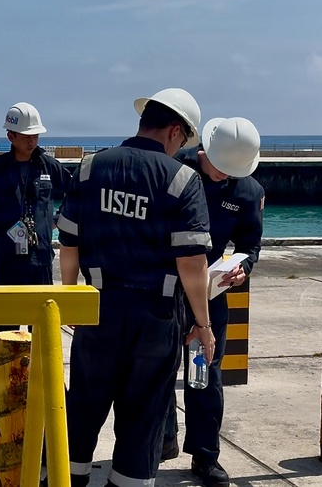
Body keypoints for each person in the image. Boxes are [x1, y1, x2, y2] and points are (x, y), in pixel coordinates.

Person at [56, 88, 217, 487]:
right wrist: (203, 324)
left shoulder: (91, 168)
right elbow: (192, 265)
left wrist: (72, 298)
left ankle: (65, 479)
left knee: (83, 407)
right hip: (155, 318)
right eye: (183, 141)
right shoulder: (182, 180)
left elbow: (69, 245)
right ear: (175, 131)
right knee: (143, 417)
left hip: (96, 310)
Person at [161, 117, 264, 487]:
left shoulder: (248, 191)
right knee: (157, 368)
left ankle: (205, 457)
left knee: (205, 376)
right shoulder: (174, 170)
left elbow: (251, 244)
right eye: (221, 169)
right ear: (205, 151)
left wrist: (244, 267)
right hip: (165, 286)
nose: (225, 177)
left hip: (210, 294)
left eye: (233, 173)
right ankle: (164, 438)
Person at [0, 102, 72, 332]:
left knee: (41, 322)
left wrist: (58, 219)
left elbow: (76, 193)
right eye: (27, 136)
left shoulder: (49, 166)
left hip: (41, 258)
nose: (32, 141)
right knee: (7, 321)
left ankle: (38, 369)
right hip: (8, 257)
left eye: (36, 135)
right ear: (11, 136)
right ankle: (4, 368)